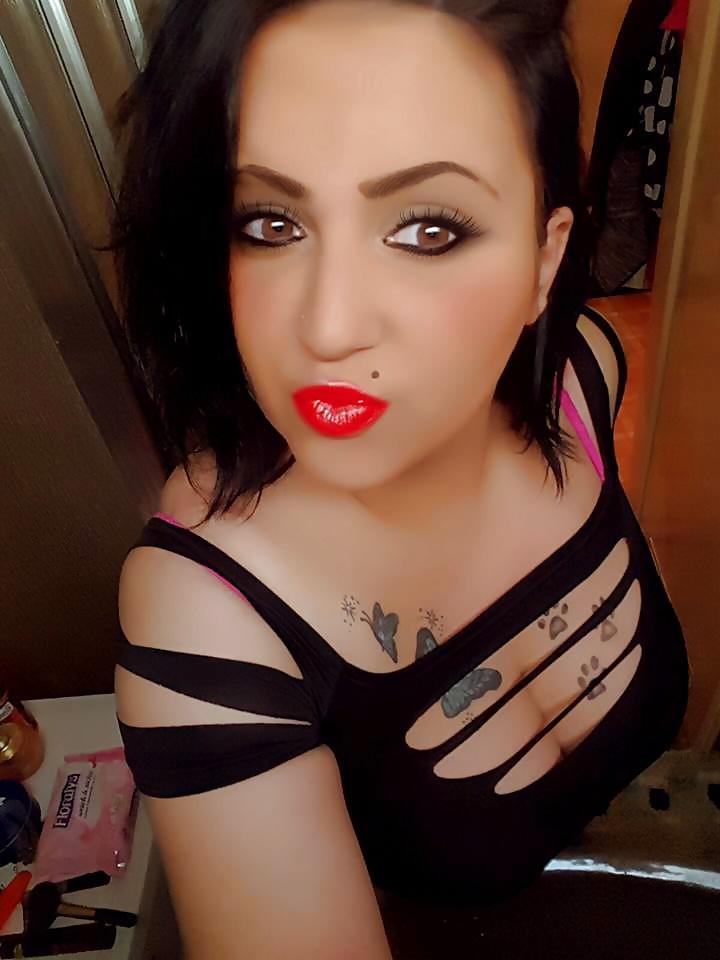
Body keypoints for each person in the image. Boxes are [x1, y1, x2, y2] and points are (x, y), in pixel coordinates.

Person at [111, 1, 690, 957]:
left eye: (427, 229)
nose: (329, 326)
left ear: (545, 259)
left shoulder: (584, 378)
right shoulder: (205, 614)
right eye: (270, 223)